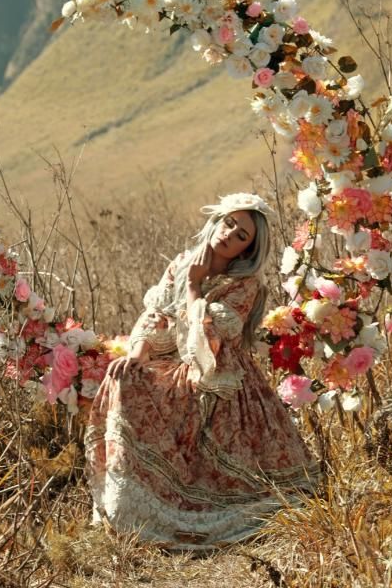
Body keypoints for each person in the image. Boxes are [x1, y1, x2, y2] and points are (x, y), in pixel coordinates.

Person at [85, 193, 320, 550]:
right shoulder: (182, 262)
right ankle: (129, 505)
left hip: (220, 378)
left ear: (246, 250)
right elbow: (156, 316)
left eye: (241, 235)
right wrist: (136, 354)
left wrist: (194, 285)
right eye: (229, 223)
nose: (229, 234)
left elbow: (213, 334)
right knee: (125, 378)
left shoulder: (245, 285)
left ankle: (198, 507)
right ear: (218, 220)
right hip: (178, 365)